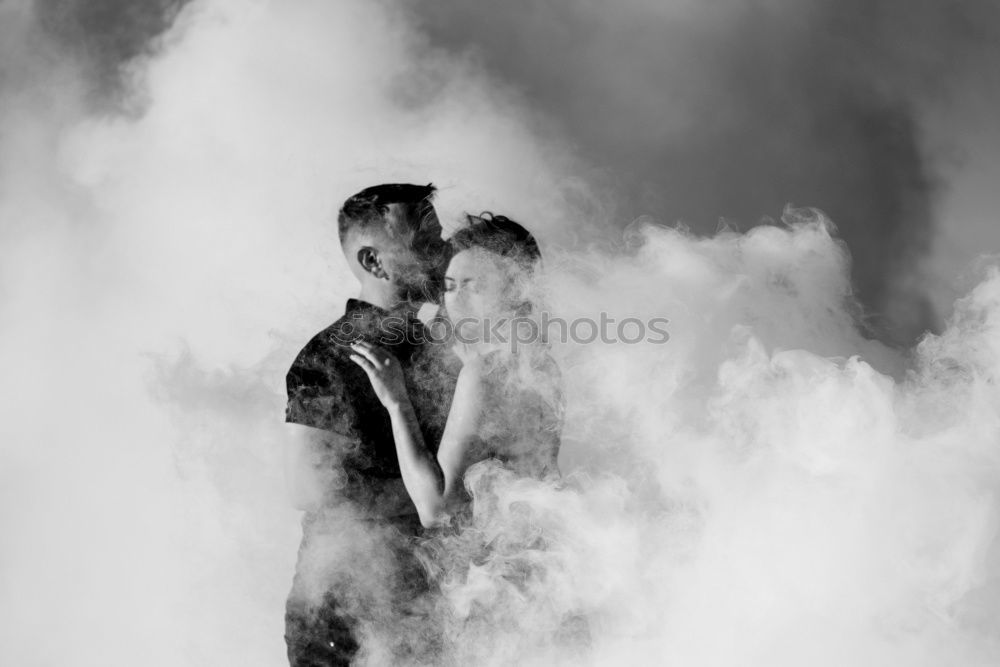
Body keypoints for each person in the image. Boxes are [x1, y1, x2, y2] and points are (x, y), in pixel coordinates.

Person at [282, 183, 457, 666]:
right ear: (374, 262)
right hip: (346, 617)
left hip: (430, 608)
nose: (442, 253)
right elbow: (308, 489)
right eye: (424, 242)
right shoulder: (329, 358)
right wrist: (438, 497)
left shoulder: (442, 347)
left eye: (439, 238)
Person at [349, 212, 563, 529]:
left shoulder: (485, 373)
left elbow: (437, 511)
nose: (454, 301)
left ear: (516, 291)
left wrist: (396, 402)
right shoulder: (538, 364)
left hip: (490, 565)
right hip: (529, 559)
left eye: (473, 287)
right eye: (450, 286)